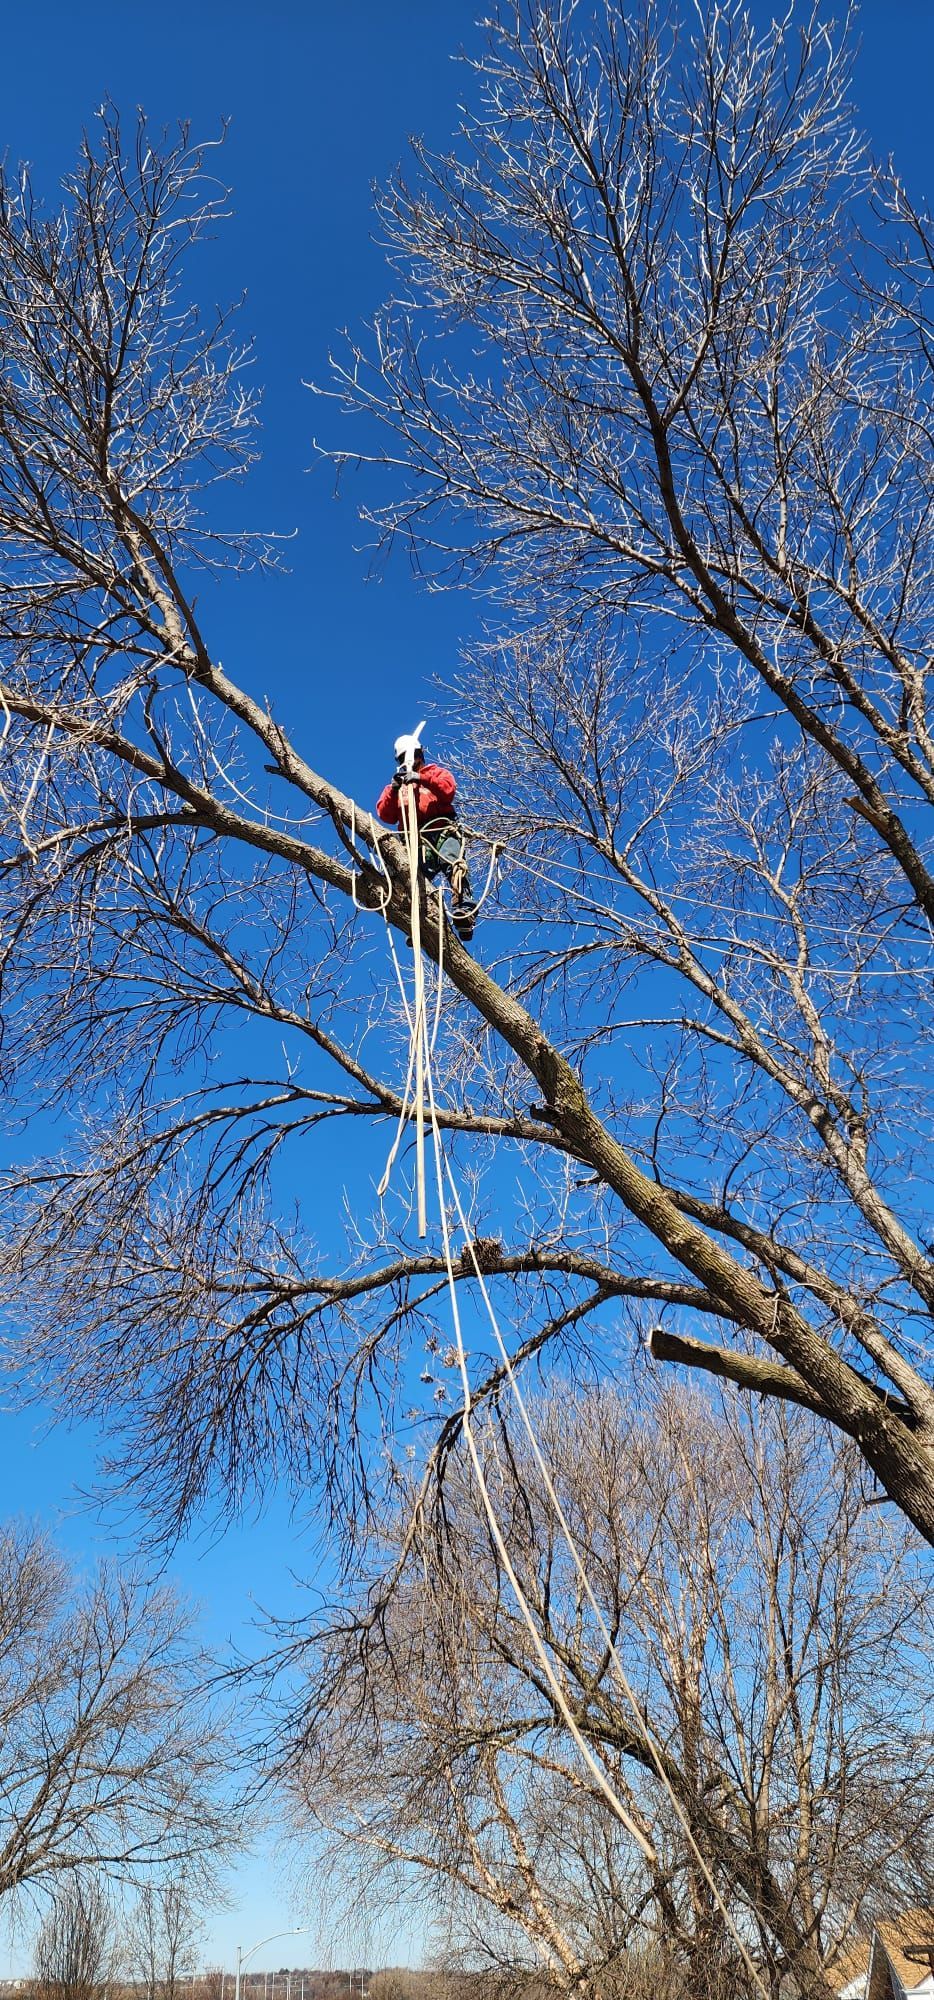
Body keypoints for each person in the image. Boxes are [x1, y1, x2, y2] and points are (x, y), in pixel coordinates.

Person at [376, 740, 478, 943]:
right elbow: (386, 815)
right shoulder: (398, 787)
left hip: (441, 830)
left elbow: (448, 791)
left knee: (452, 863)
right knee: (410, 878)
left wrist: (422, 779)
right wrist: (394, 789)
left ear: (420, 755)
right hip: (414, 838)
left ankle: (464, 910)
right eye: (403, 758)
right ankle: (420, 921)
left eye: (411, 756)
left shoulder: (435, 774)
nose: (409, 762)